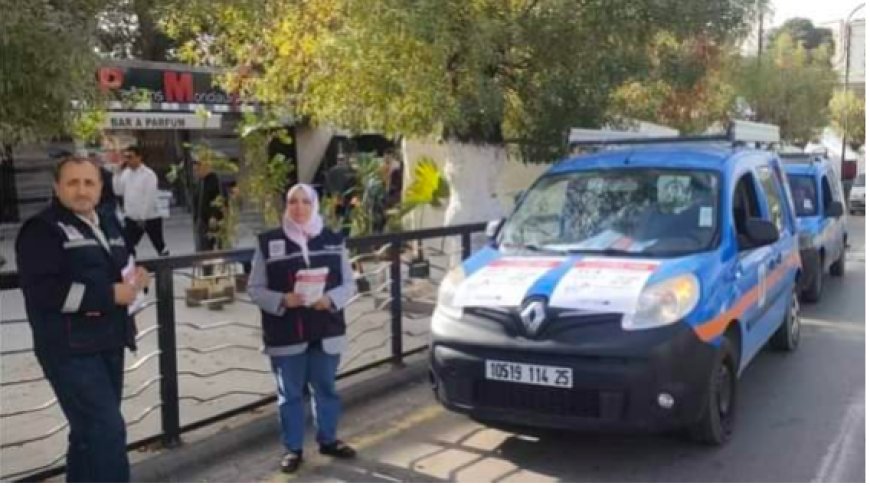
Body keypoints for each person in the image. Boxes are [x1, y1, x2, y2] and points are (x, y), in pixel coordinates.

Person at [15, 155, 150, 482]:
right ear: (57, 187)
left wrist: (136, 280)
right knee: (107, 431)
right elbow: (44, 293)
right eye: (72, 182)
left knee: (88, 435)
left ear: (100, 187)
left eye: (88, 182)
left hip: (110, 341)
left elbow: (121, 266)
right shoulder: (42, 230)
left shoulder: (108, 222)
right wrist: (109, 295)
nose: (81, 190)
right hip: (69, 350)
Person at [247, 183, 357, 474]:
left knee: (326, 388)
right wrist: (283, 299)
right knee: (290, 394)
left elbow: (349, 284)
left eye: (305, 202)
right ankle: (293, 449)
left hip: (326, 328)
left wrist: (330, 299)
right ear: (286, 206)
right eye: (293, 202)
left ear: (315, 205)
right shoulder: (269, 243)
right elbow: (255, 289)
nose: (299, 208)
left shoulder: (334, 240)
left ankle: (329, 439)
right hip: (287, 332)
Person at [112, 145, 168, 256]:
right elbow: (118, 191)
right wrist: (117, 174)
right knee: (128, 245)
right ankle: (130, 267)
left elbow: (149, 197)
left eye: (131, 157)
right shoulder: (126, 174)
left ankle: (166, 269)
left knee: (159, 244)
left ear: (139, 157)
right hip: (132, 217)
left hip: (150, 217)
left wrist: (142, 217)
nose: (128, 160)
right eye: (126, 157)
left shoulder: (148, 174)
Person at [192, 157, 223, 252]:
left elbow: (218, 200)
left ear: (205, 168)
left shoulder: (213, 181)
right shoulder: (200, 182)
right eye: (194, 171)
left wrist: (214, 216)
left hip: (211, 220)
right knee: (201, 248)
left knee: (210, 247)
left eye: (197, 170)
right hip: (201, 220)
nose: (196, 173)